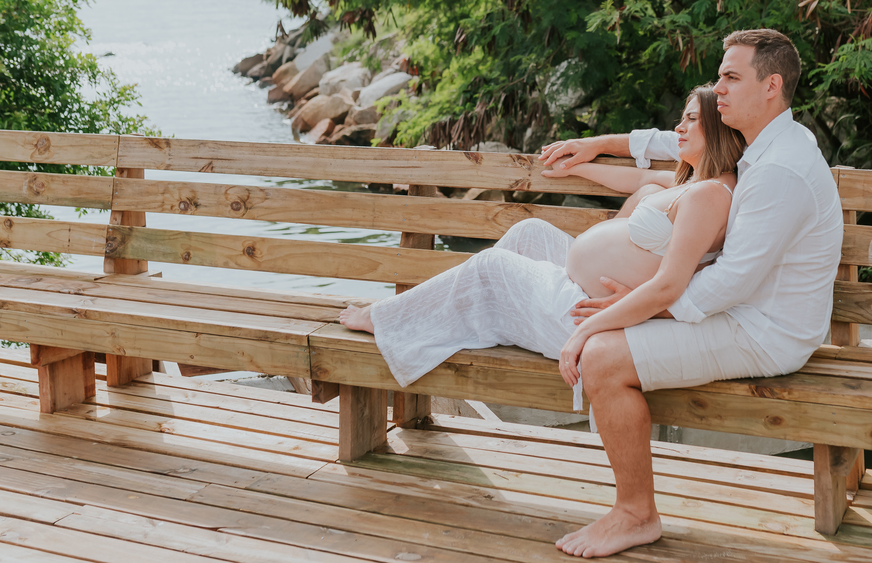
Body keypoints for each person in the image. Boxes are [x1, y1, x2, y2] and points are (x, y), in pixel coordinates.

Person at [540, 28, 843, 558]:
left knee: (604, 357)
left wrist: (638, 307)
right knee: (606, 340)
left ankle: (636, 514)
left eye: (731, 77)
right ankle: (632, 507)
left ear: (770, 86)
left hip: (766, 332)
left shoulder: (779, 171)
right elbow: (675, 138)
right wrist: (601, 145)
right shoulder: (767, 139)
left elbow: (730, 284)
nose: (718, 89)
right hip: (745, 313)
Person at [336, 85, 745, 397]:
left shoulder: (710, 197)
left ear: (719, 126)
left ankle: (391, 321)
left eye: (691, 120)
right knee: (528, 233)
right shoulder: (693, 181)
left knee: (490, 268)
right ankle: (439, 318)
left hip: (595, 314)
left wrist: (611, 314)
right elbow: (639, 178)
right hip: (588, 290)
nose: (679, 127)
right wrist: (579, 165)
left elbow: (675, 281)